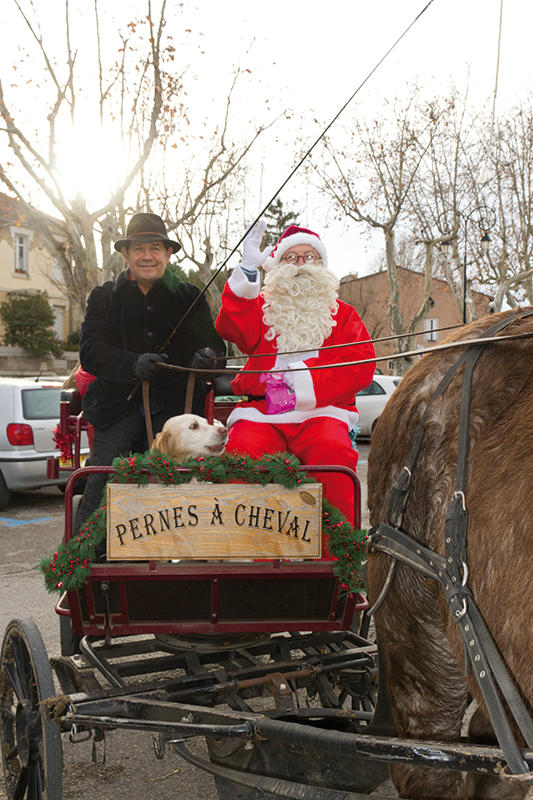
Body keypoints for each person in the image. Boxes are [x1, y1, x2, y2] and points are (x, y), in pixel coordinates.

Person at [215, 220, 375, 558]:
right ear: (277, 265)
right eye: (292, 258)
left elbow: (361, 363)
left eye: (310, 257)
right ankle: (247, 557)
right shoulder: (262, 308)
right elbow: (231, 328)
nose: (301, 265)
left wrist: (301, 379)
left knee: (332, 452)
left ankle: (336, 563)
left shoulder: (343, 315)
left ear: (322, 266)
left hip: (322, 413)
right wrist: (246, 270)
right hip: (262, 415)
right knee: (243, 450)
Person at [76, 212, 225, 530]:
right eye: (139, 249)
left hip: (177, 410)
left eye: (155, 248)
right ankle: (81, 563)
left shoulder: (190, 297)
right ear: (125, 254)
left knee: (183, 487)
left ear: (168, 253)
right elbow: (90, 352)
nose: (147, 256)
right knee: (103, 477)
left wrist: (207, 358)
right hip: (117, 408)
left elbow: (217, 350)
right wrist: (131, 364)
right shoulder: (103, 298)